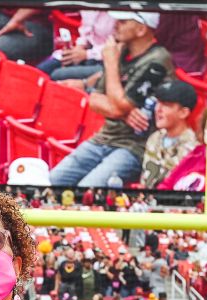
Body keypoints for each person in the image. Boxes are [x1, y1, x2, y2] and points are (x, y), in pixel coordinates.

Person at [49, 12, 174, 187]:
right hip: (104, 137)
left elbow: (120, 105)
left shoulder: (158, 60)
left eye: (123, 21)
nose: (116, 24)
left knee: (87, 190)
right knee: (50, 181)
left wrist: (111, 64)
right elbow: (94, 99)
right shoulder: (119, 51)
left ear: (141, 29)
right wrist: (123, 112)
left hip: (133, 147)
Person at [140, 80, 199, 188]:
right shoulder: (155, 137)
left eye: (166, 105)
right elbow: (146, 177)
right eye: (158, 103)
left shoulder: (194, 147)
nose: (158, 109)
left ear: (183, 113)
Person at [38, 10, 115, 84]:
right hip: (88, 52)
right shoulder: (88, 5)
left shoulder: (117, 11)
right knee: (42, 69)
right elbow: (86, 33)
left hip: (107, 60)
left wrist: (87, 54)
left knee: (57, 75)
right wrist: (78, 47)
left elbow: (119, 45)